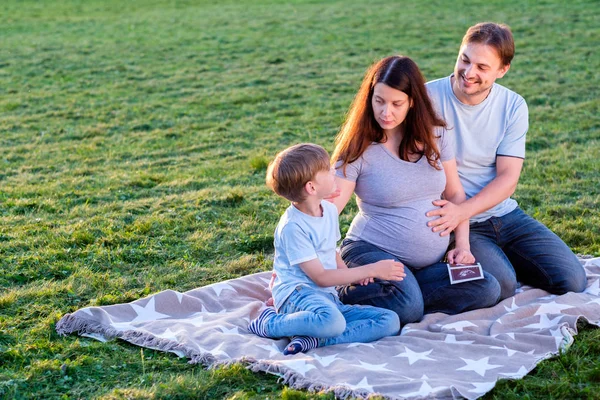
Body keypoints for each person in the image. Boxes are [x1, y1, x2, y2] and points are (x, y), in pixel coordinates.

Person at [330, 55, 501, 326]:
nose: (386, 112)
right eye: (379, 101)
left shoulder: (436, 135)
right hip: (370, 250)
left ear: (412, 101)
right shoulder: (358, 148)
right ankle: (342, 288)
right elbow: (327, 212)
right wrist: (321, 260)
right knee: (408, 307)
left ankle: (401, 293)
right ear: (369, 99)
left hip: (424, 267)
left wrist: (463, 245)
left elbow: (455, 196)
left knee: (487, 287)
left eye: (396, 103)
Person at [424, 22, 587, 300]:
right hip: (457, 222)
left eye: (482, 67)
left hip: (504, 214)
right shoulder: (427, 98)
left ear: (502, 70)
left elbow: (508, 178)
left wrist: (464, 211)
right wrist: (459, 217)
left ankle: (503, 259)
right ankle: (476, 261)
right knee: (502, 286)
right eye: (464, 60)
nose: (468, 72)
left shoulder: (513, 105)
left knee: (572, 280)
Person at [248, 143, 404, 355]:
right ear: (312, 188)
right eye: (328, 170)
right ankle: (270, 323)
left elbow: (330, 251)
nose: (334, 172)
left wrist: (351, 277)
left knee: (390, 321)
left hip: (327, 299)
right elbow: (320, 277)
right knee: (331, 322)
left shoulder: (329, 210)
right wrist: (372, 270)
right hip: (298, 294)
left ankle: (314, 340)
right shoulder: (293, 227)